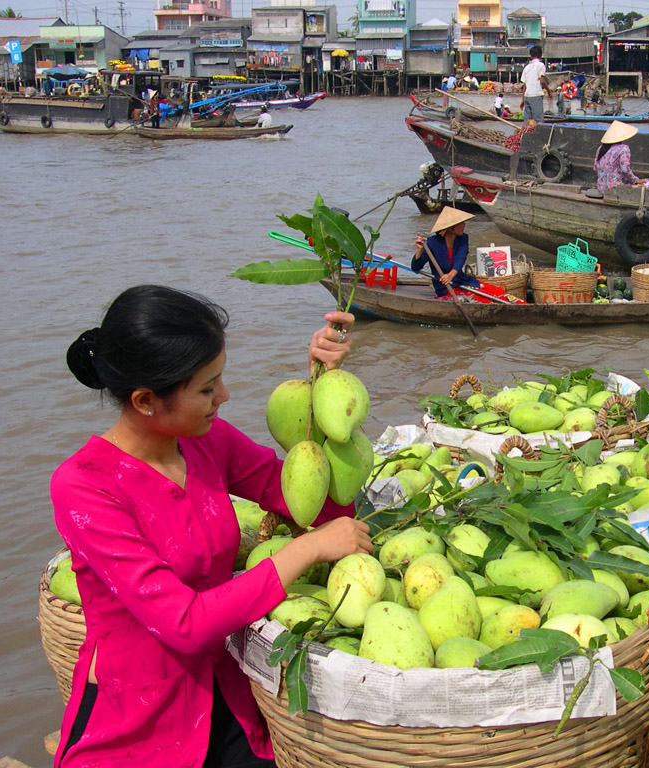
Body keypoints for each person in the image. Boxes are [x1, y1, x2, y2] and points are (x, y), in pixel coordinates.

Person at [51, 286, 371, 767]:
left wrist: (322, 395)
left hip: (229, 693)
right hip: (141, 720)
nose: (224, 396)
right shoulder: (85, 487)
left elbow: (318, 509)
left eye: (219, 379)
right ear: (145, 401)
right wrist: (306, 551)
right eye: (206, 388)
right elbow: (183, 624)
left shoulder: (207, 440)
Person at [412, 207, 481, 300]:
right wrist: (419, 250)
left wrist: (450, 275)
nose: (464, 225)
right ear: (451, 227)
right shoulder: (433, 242)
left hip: (461, 281)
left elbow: (461, 258)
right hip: (445, 287)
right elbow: (416, 267)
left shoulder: (463, 239)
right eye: (461, 223)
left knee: (494, 293)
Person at [593, 120, 649, 193]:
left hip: (601, 188)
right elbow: (625, 169)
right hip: (615, 188)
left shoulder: (601, 148)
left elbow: (595, 168)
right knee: (646, 185)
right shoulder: (623, 148)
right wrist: (635, 180)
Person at [519, 45, 550, 127]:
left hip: (527, 96)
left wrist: (522, 100)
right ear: (540, 55)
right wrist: (549, 91)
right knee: (538, 121)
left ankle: (525, 136)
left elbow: (525, 85)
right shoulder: (540, 65)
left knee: (527, 122)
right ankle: (539, 138)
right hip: (536, 95)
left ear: (531, 56)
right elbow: (542, 81)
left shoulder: (527, 67)